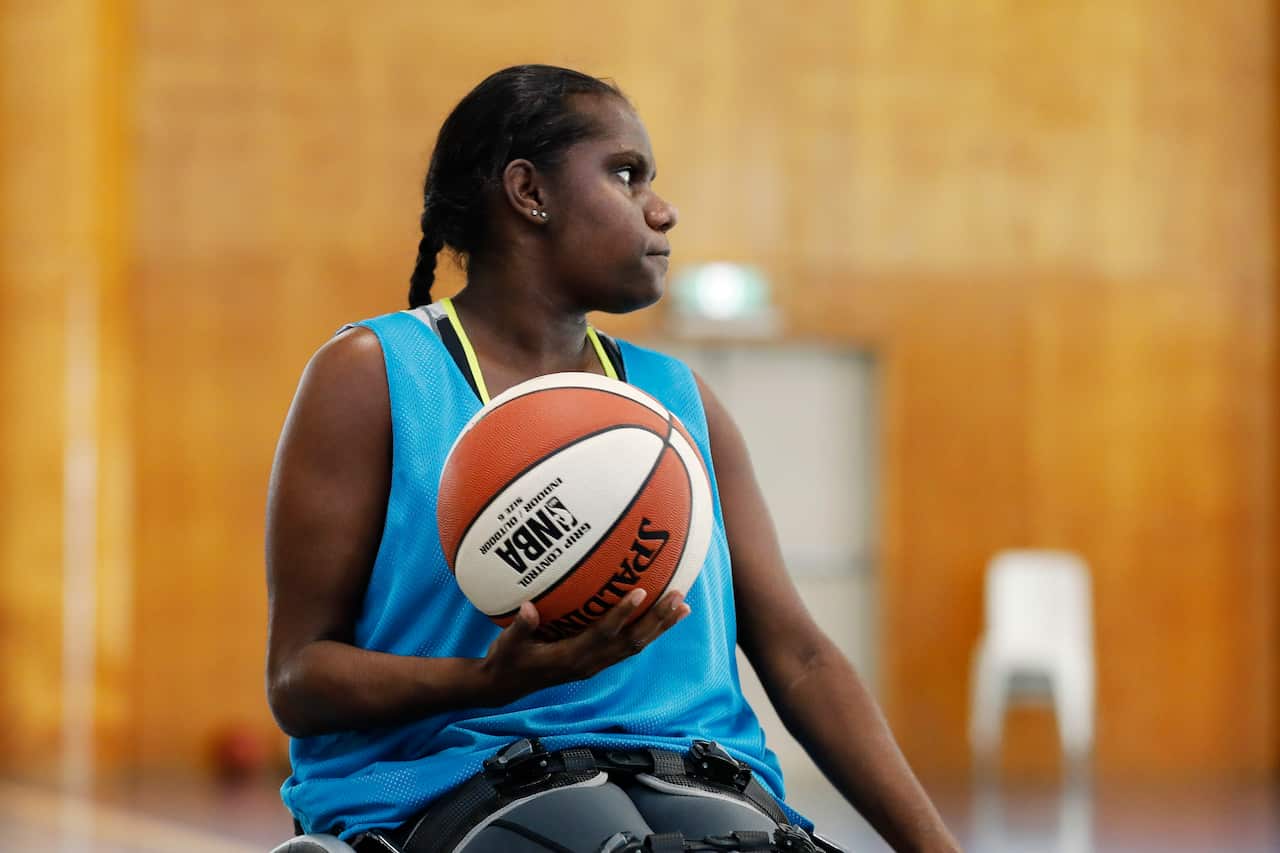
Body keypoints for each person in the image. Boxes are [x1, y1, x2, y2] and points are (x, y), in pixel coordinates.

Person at [265, 64, 959, 853]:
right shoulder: (374, 374)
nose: (662, 209)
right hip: (460, 781)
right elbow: (299, 679)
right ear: (530, 192)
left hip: (701, 776)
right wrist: (488, 681)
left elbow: (799, 653)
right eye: (627, 175)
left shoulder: (678, 400)